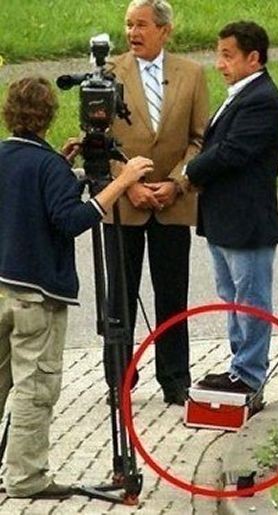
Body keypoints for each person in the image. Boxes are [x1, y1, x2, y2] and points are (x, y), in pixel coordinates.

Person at [0, 76, 152, 499]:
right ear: (49, 115)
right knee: (35, 389)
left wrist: (60, 164)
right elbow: (70, 220)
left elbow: (26, 194)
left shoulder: (9, 155)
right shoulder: (47, 167)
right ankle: (26, 478)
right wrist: (123, 181)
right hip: (37, 295)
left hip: (3, 284)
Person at [103, 0, 209, 405]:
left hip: (171, 203)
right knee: (120, 297)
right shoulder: (109, 73)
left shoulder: (191, 74)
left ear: (165, 30)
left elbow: (200, 139)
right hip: (124, 203)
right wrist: (127, 183)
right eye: (129, 25)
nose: (133, 33)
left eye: (142, 25)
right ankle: (119, 381)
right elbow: (100, 141)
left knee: (172, 295)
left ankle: (175, 378)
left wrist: (177, 183)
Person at [185, 21, 278, 399]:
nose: (220, 64)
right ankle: (238, 366)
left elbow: (233, 152)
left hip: (247, 220)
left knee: (251, 299)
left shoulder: (262, 99)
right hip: (223, 218)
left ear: (253, 58)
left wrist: (188, 173)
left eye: (228, 56)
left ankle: (250, 372)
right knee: (232, 297)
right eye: (219, 55)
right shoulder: (240, 95)